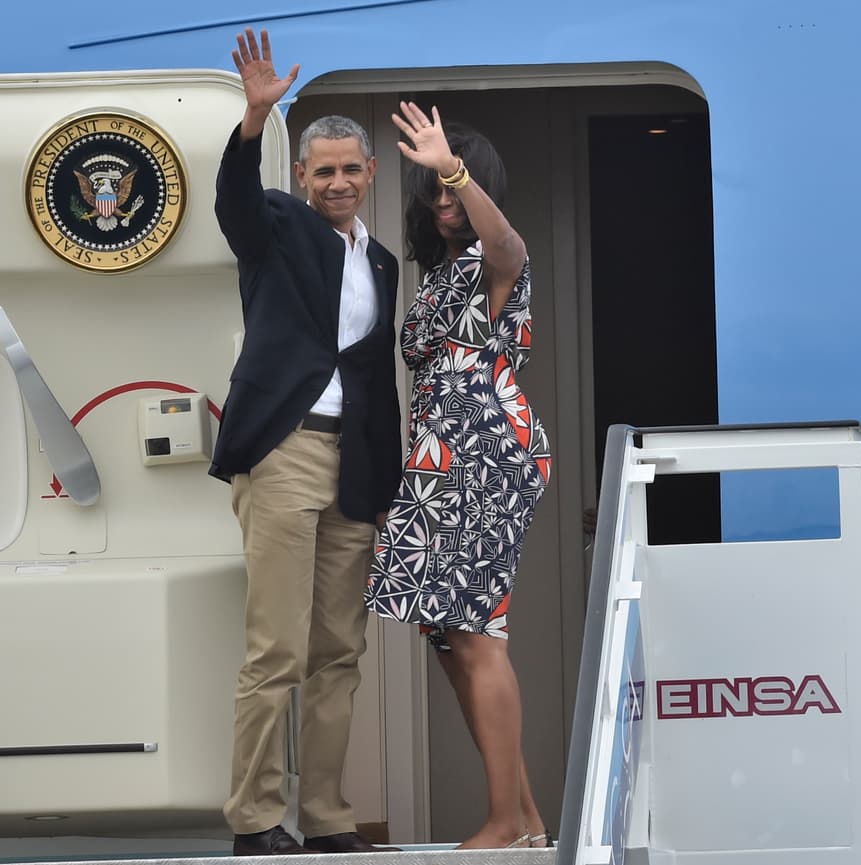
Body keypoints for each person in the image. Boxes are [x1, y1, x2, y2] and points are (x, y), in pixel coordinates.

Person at [209, 28, 403, 857]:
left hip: (353, 467)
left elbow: (370, 375)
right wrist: (254, 121)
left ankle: (324, 814)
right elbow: (234, 208)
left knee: (339, 653)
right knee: (277, 648)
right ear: (301, 176)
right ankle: (254, 817)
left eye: (349, 169)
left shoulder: (383, 261)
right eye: (321, 169)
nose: (335, 181)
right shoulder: (279, 227)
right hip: (285, 450)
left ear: (368, 177)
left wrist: (389, 479)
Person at [365, 101, 553, 850]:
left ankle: (505, 820)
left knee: (478, 636)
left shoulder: (495, 254)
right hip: (436, 459)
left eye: (454, 188)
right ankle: (527, 818)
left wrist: (453, 165)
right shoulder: (439, 273)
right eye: (434, 192)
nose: (444, 203)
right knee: (448, 637)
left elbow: (503, 240)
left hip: (483, 449)